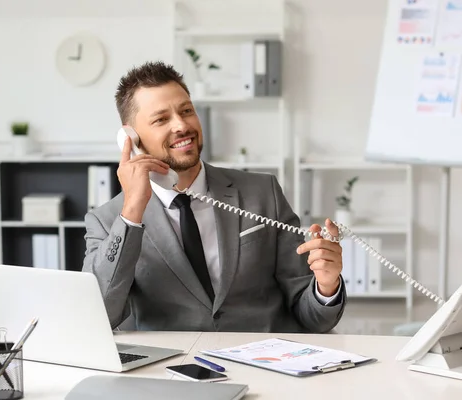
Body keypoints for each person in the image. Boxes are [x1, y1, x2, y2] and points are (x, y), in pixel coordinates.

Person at [82, 61, 346, 333]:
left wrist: (326, 286)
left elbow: (313, 318)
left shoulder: (263, 192)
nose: (181, 125)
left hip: (263, 363)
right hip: (172, 370)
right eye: (161, 119)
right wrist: (132, 210)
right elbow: (100, 315)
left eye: (186, 111)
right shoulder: (107, 221)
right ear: (131, 140)